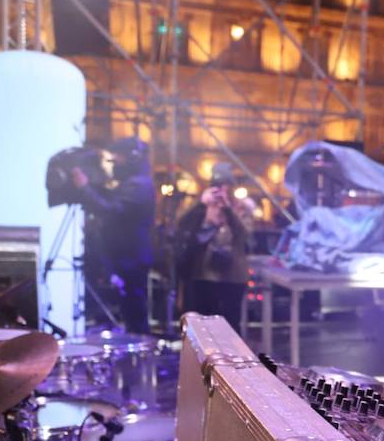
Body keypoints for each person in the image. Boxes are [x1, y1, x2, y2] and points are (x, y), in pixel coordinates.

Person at [70, 137, 156, 334]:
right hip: (127, 257)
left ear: (131, 158)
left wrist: (84, 188)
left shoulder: (139, 186)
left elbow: (110, 210)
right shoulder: (133, 184)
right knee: (130, 311)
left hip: (131, 258)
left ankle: (139, 354)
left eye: (118, 158)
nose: (114, 162)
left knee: (134, 312)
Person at [174, 165, 252, 333]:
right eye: (217, 184)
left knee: (230, 326)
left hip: (232, 277)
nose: (221, 189)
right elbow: (182, 224)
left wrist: (228, 210)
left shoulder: (241, 207)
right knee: (204, 327)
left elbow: (244, 234)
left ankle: (231, 359)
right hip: (204, 274)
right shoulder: (202, 206)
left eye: (225, 184)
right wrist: (201, 205)